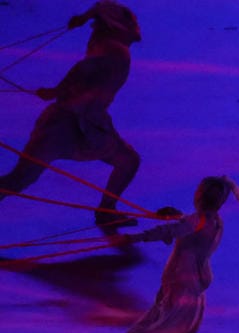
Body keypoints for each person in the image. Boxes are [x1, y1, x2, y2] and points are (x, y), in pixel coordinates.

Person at [61, 176, 239, 333]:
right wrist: (178, 216)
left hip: (179, 300)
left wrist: (131, 239)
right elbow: (187, 227)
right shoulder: (215, 222)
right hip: (184, 299)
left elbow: (171, 231)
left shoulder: (197, 221)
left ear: (198, 195)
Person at [0, 3, 144, 232]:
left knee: (128, 161)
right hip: (68, 124)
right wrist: (56, 91)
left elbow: (100, 7)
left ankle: (107, 211)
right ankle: (107, 211)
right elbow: (83, 70)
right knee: (20, 179)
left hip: (85, 122)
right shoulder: (115, 49)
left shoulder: (105, 43)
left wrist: (83, 18)